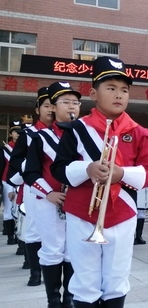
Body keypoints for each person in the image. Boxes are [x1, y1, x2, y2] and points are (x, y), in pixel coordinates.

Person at [51, 57, 148, 306]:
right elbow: (59, 169)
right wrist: (87, 168)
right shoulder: (76, 129)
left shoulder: (138, 131)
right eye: (110, 88)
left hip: (123, 211)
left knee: (116, 278)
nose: (118, 95)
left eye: (124, 90)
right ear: (93, 93)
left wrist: (122, 174)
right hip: (82, 212)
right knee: (85, 280)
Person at [24, 81, 80, 306]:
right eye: (65, 102)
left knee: (73, 250)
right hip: (49, 201)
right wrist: (49, 194)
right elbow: (31, 173)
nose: (71, 107)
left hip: (77, 202)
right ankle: (54, 300)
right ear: (53, 108)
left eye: (75, 102)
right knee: (52, 250)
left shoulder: (84, 135)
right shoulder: (40, 138)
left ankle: (69, 297)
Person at [12, 92, 52, 287]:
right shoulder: (28, 135)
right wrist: (31, 164)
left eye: (54, 105)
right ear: (37, 110)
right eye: (46, 106)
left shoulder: (68, 132)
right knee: (34, 229)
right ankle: (35, 273)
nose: (50, 109)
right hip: (35, 187)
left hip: (60, 188)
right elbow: (16, 161)